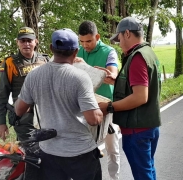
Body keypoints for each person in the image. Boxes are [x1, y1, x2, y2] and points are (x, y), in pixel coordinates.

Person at [14, 28, 104, 180]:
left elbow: (19, 109)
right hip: (80, 153)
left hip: (49, 153)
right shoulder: (80, 77)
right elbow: (93, 119)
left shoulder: (34, 75)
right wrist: (101, 110)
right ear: (76, 51)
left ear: (51, 48)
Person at [98, 17, 162, 180]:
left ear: (127, 33)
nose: (118, 42)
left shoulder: (137, 57)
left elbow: (140, 96)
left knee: (143, 175)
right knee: (148, 169)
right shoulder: (148, 52)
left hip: (137, 129)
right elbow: (139, 85)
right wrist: (115, 79)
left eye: (118, 38)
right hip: (149, 125)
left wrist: (109, 107)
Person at [77, 20, 121, 180]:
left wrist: (85, 66)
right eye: (81, 42)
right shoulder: (77, 51)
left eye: (88, 41)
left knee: (112, 148)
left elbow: (112, 77)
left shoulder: (109, 51)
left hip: (106, 107)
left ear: (97, 36)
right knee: (85, 149)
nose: (85, 45)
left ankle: (114, 178)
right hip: (84, 108)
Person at [0, 27, 49, 142]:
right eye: (22, 41)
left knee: (50, 151)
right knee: (30, 154)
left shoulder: (45, 60)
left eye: (29, 41)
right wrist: (1, 122)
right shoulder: (10, 63)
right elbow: (2, 94)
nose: (26, 44)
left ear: (36, 41)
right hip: (24, 119)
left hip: (46, 116)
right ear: (17, 42)